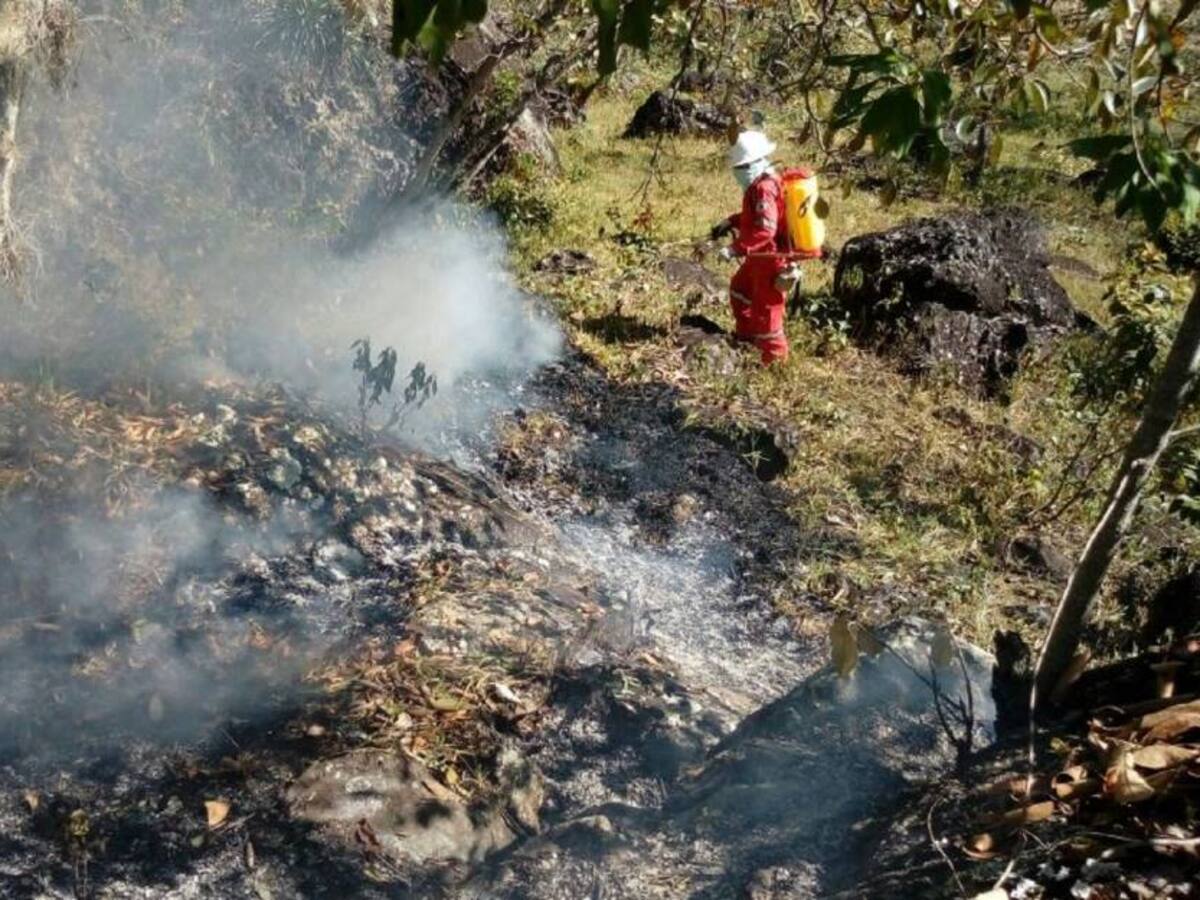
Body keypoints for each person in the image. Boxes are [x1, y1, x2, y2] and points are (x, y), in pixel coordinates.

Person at [710, 130, 791, 365]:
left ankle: (773, 363)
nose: (739, 173)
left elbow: (766, 229)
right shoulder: (757, 186)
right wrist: (730, 222)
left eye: (742, 167)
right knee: (740, 291)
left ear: (755, 163)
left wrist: (735, 248)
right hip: (757, 257)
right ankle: (746, 339)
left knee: (767, 311)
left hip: (770, 258)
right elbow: (752, 217)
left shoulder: (765, 188)